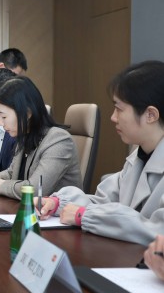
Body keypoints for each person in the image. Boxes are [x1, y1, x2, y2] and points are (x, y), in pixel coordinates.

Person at [37, 61, 164, 245]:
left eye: (119, 109)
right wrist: (60, 203)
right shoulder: (139, 156)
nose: (113, 117)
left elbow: (158, 230)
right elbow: (103, 202)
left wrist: (84, 215)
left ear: (151, 114)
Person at [0, 76, 81, 199]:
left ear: (27, 113)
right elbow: (12, 173)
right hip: (29, 209)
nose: (0, 123)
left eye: (4, 116)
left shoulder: (58, 140)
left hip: (58, 211)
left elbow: (35, 189)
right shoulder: (24, 135)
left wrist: (0, 184)